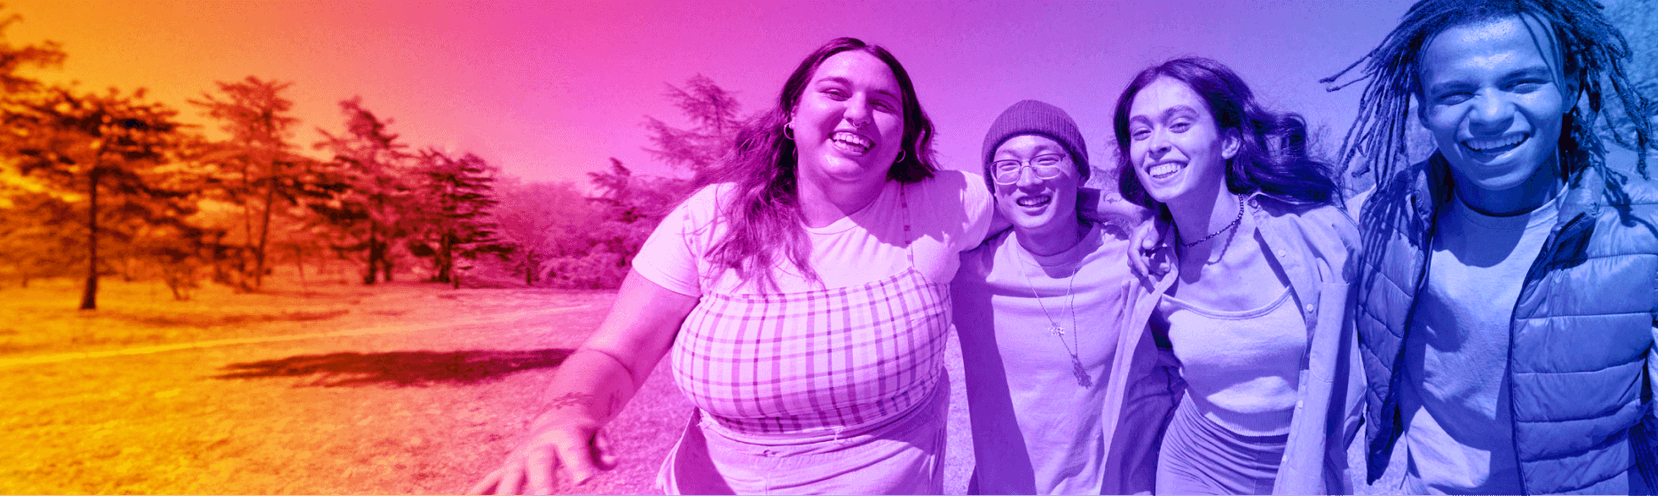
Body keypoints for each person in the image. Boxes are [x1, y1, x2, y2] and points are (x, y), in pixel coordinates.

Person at [1325, 1, 1658, 494]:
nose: (1491, 114)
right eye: (1455, 93)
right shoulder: (1370, 226)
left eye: (1522, 82)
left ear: (1571, 84)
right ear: (1424, 106)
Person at [467, 37, 993, 495]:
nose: (858, 112)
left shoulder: (943, 205)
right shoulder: (710, 217)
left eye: (883, 103)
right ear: (791, 115)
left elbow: (1051, 200)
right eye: (835, 92)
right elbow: (618, 352)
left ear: (904, 133)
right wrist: (566, 412)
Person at [1110, 57, 1365, 495]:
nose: (1155, 144)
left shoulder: (1316, 233)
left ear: (1228, 141)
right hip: (1193, 467)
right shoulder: (1153, 264)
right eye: (1141, 131)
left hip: (1302, 464)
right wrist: (1140, 219)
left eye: (1179, 124)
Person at [951, 99, 1176, 495]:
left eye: (1046, 160)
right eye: (1008, 165)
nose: (1028, 179)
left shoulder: (1131, 257)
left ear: (1079, 172)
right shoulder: (965, 273)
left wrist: (1135, 213)